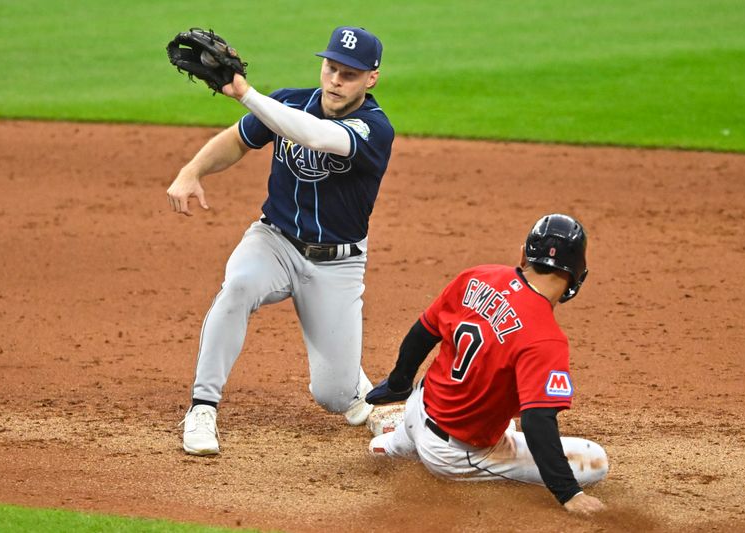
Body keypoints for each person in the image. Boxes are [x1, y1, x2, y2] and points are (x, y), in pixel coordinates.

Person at [167, 26, 394, 455]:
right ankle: (202, 408)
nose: (335, 81)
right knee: (238, 286)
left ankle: (352, 380)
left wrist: (246, 94)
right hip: (275, 240)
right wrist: (191, 171)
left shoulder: (375, 129)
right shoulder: (290, 100)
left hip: (337, 264)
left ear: (371, 79)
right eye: (331, 68)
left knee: (334, 395)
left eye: (349, 74)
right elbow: (238, 139)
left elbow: (315, 135)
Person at [365, 214, 608, 514]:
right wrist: (569, 493)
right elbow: (537, 421)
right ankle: (412, 446)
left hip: (420, 403)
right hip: (452, 455)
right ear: (577, 276)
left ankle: (392, 444)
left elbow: (423, 332)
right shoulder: (546, 339)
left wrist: (398, 382)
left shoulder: (478, 276)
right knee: (596, 461)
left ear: (523, 254)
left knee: (500, 405)